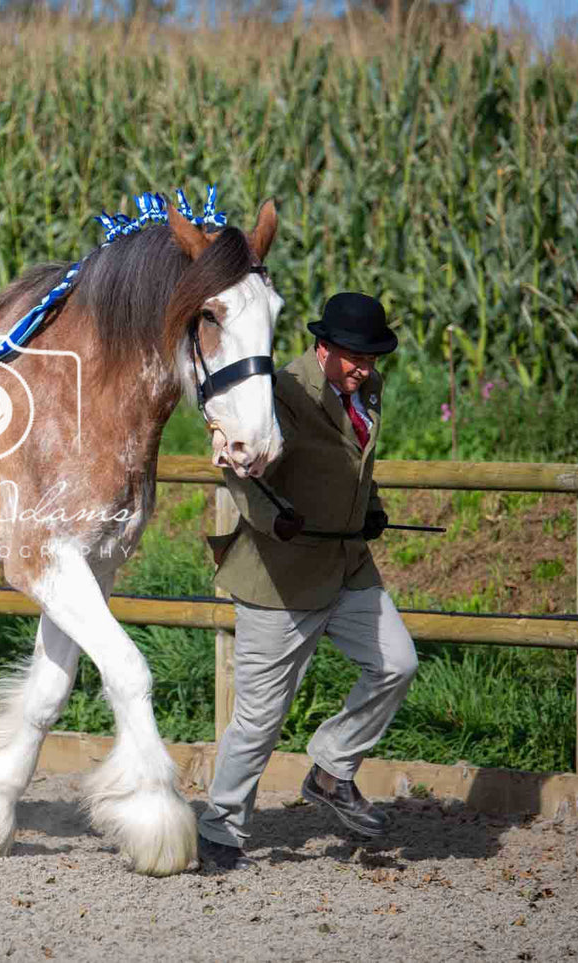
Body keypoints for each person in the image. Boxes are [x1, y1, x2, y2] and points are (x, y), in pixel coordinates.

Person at [199, 291, 418, 853]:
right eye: (354, 357)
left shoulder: (366, 389)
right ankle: (221, 829)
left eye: (372, 358)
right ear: (323, 348)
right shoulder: (283, 391)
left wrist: (370, 508)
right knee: (260, 721)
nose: (364, 368)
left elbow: (354, 462)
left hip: (347, 565)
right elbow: (244, 471)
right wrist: (274, 521)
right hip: (280, 576)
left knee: (397, 663)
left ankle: (330, 770)